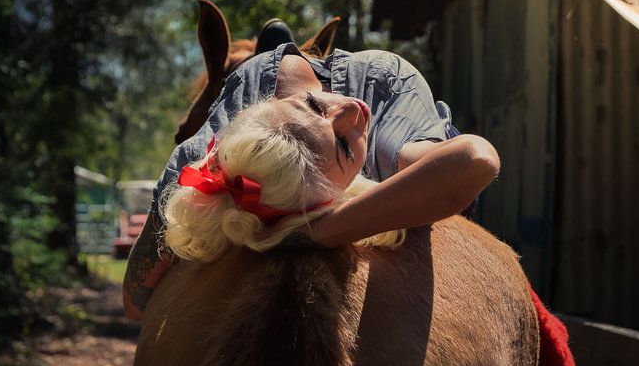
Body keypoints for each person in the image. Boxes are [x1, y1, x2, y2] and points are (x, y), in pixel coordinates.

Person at [123, 41, 498, 321]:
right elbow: (474, 159)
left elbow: (137, 299)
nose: (352, 110)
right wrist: (317, 229)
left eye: (315, 106)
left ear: (262, 107)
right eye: (345, 148)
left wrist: (306, 233)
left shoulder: (199, 159)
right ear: (340, 192)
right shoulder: (388, 142)